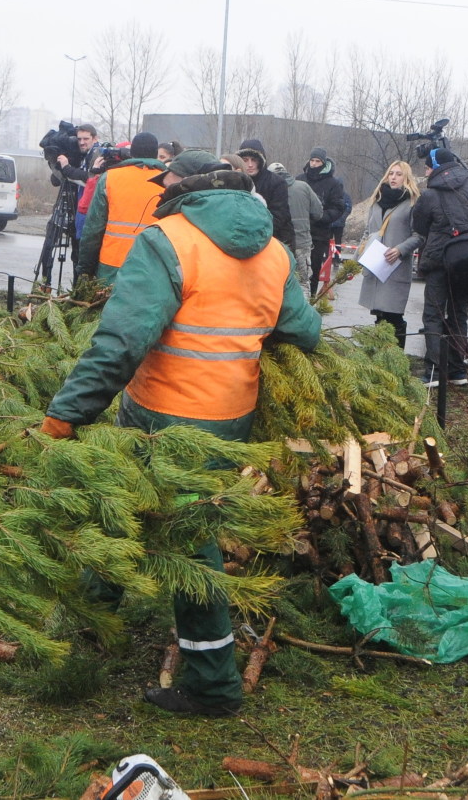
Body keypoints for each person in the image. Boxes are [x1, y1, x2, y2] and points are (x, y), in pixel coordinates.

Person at [40, 151, 321, 717]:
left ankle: (213, 685)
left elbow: (120, 343)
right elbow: (304, 331)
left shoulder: (167, 240)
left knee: (191, 550)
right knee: (123, 504)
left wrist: (68, 413)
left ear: (186, 190)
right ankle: (95, 615)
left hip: (159, 417)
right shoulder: (274, 251)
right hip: (227, 422)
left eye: (166, 181)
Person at [412, 148, 468, 386]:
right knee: (459, 314)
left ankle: (434, 372)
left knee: (434, 315)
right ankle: (458, 371)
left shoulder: (430, 195)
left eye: (427, 167)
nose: (425, 172)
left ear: (435, 167)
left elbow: (420, 226)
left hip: (439, 262)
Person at [76, 131, 166, 283]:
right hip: (152, 266)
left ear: (132, 152)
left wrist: (85, 270)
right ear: (156, 154)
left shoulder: (110, 178)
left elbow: (93, 229)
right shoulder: (168, 182)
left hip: (112, 265)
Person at [353, 161, 422, 349]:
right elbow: (368, 232)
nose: (393, 177)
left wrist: (401, 249)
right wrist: (356, 261)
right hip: (376, 265)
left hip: (395, 267)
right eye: (391, 173)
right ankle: (380, 359)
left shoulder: (412, 204)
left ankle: (396, 359)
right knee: (379, 315)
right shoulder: (377, 200)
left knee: (393, 316)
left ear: (406, 178)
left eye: (399, 174)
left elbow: (420, 235)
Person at [296, 148, 348, 297]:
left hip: (318, 235)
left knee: (313, 271)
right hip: (298, 233)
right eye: (312, 160)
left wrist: (322, 217)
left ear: (324, 163)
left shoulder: (333, 183)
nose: (313, 164)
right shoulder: (300, 179)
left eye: (317, 161)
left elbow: (338, 207)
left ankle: (311, 299)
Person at [269, 162, 323, 289]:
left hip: (275, 246)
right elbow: (318, 213)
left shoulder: (268, 189)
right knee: (302, 283)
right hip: (301, 244)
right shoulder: (304, 187)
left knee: (276, 283)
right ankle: (304, 308)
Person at [236, 139, 294, 249]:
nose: (250, 164)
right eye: (245, 160)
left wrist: (253, 231)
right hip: (244, 241)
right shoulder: (236, 182)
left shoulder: (276, 183)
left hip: (276, 241)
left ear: (261, 161)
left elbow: (279, 216)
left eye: (254, 160)